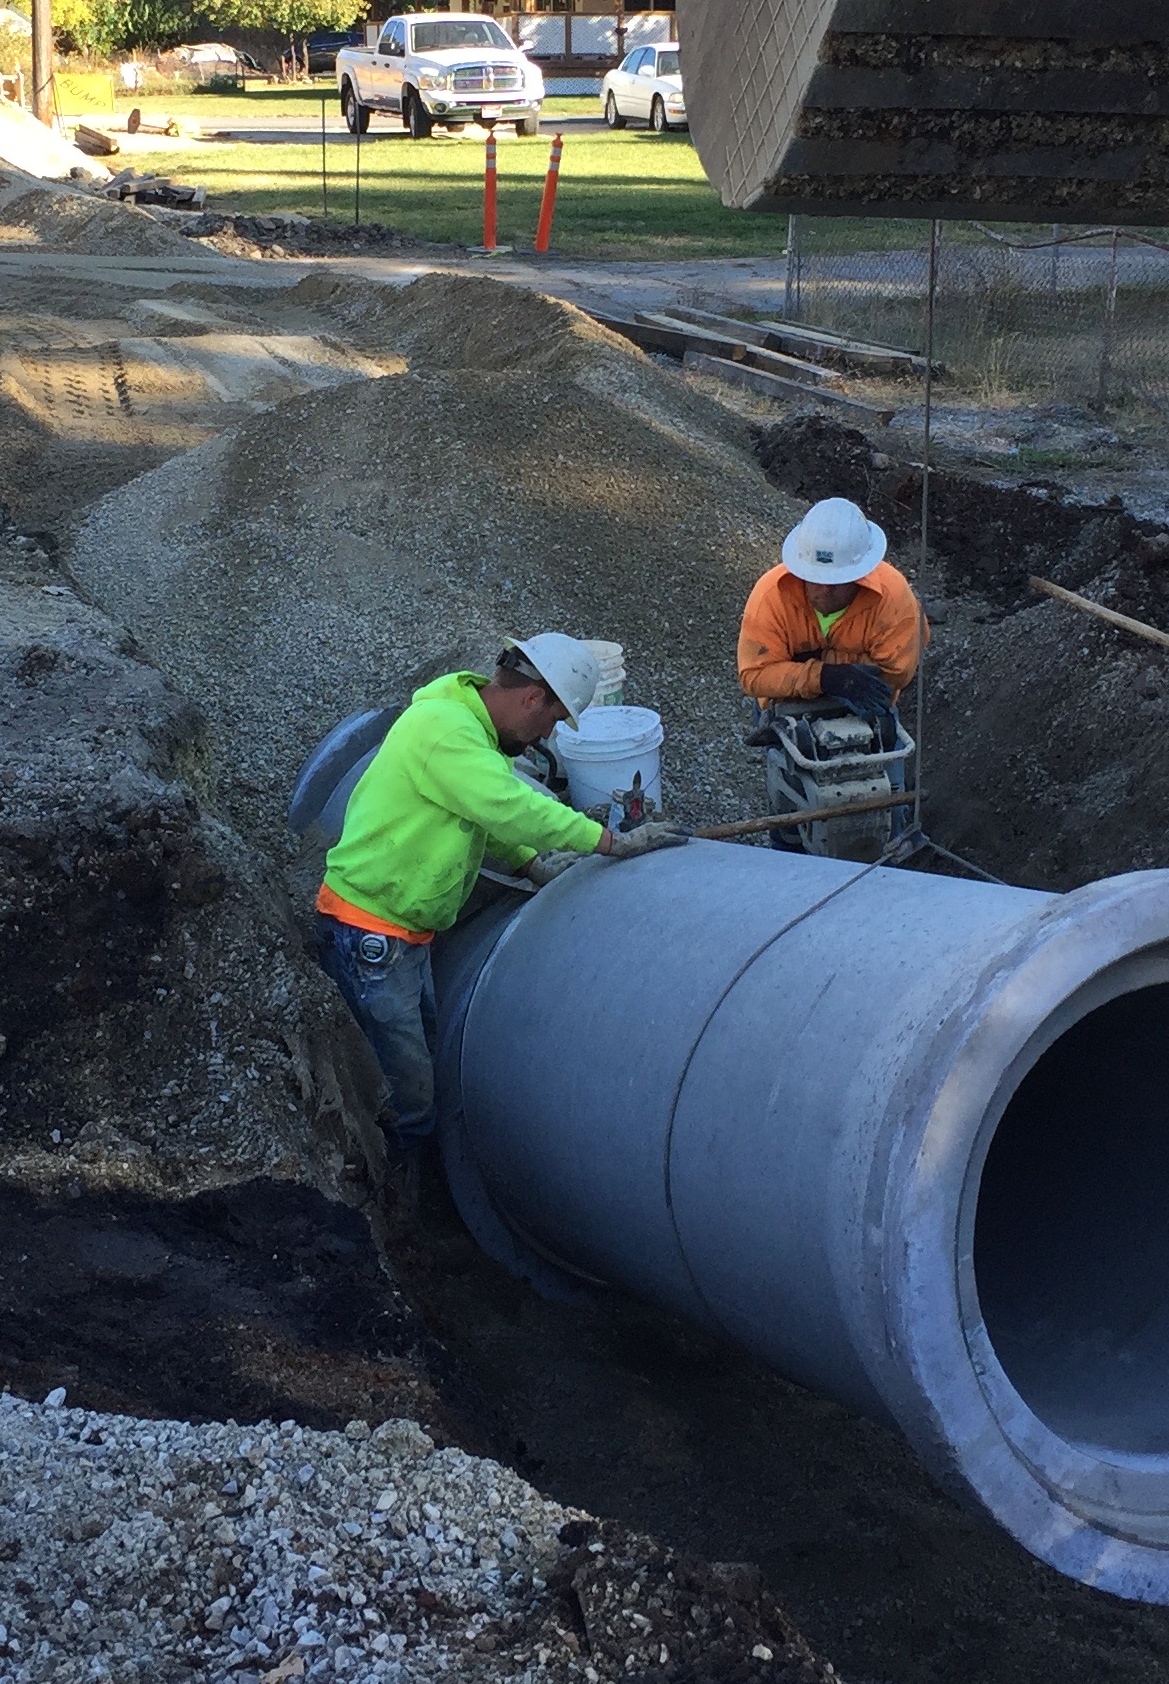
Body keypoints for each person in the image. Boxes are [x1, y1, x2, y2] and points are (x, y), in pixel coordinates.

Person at [314, 633, 684, 1182]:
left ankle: (411, 1192)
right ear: (533, 699)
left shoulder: (463, 731)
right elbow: (505, 805)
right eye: (554, 721)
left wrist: (530, 863)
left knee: (421, 1070)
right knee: (404, 1093)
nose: (548, 737)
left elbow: (477, 817)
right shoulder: (446, 731)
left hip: (402, 938)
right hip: (371, 937)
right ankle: (395, 1210)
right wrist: (607, 842)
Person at [737, 497, 923, 730]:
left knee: (887, 752)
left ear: (860, 574)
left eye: (838, 581)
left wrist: (805, 665)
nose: (825, 589)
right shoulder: (770, 595)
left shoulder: (893, 597)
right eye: (815, 579)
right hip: (786, 712)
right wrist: (826, 676)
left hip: (867, 709)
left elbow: (896, 673)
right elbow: (754, 676)